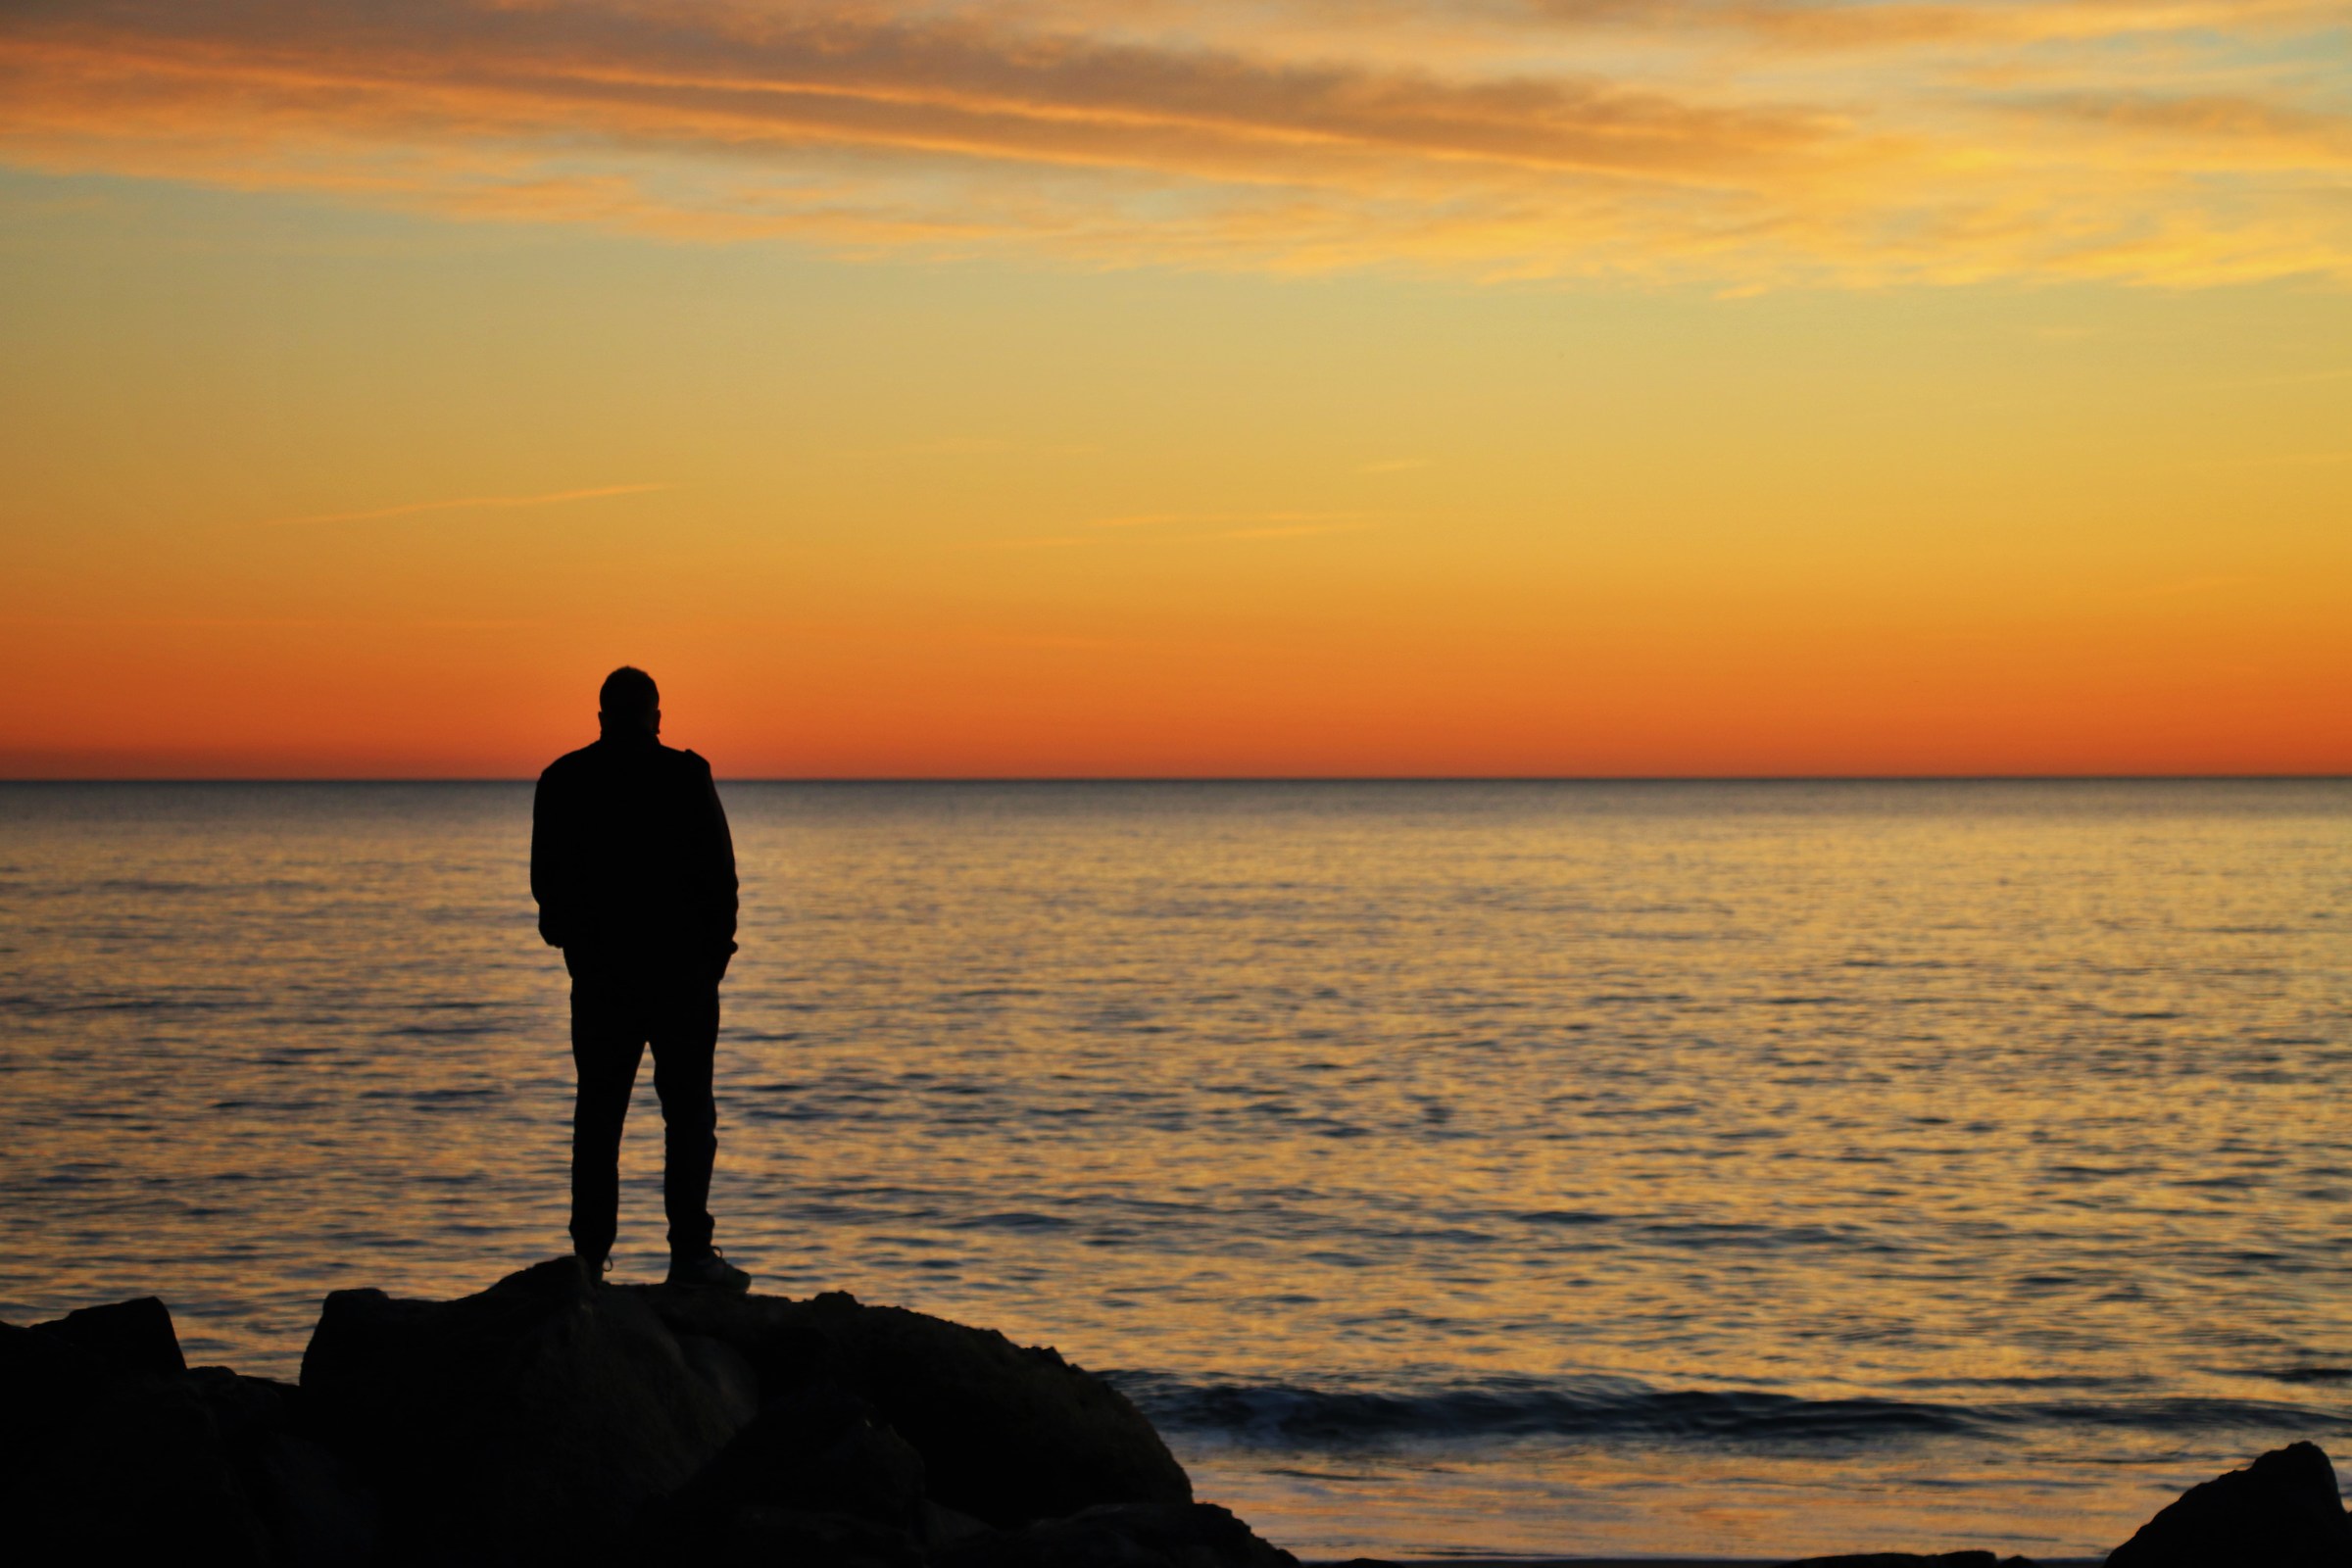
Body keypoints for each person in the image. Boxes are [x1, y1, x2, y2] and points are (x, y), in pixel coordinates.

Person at [531, 666, 749, 1291]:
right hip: (672, 977)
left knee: (603, 1119)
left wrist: (576, 941)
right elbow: (721, 878)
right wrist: (713, 957)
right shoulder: (681, 775)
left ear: (602, 717)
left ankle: (593, 1262)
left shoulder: (566, 780)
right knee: (681, 1117)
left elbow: (547, 891)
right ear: (658, 715)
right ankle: (686, 1256)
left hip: (621, 978)